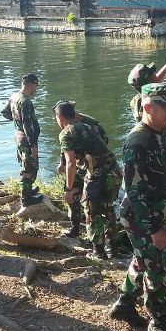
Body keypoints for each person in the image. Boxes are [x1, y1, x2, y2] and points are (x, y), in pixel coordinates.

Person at [109, 82, 166, 331]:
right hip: (140, 216)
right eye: (163, 106)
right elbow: (134, 191)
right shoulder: (137, 141)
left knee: (141, 260)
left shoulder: (160, 132)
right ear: (147, 106)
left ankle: (124, 304)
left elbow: (164, 171)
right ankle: (158, 323)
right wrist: (155, 229)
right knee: (156, 268)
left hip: (156, 211)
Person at [54, 101, 121, 260]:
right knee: (108, 209)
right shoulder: (86, 125)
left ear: (60, 117)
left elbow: (71, 163)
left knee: (92, 213)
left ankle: (98, 252)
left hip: (97, 176)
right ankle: (113, 249)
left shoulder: (65, 133)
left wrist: (69, 190)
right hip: (115, 172)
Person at [1, 73, 43, 207]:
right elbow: (28, 125)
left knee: (25, 163)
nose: (35, 89)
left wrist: (16, 121)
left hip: (18, 135)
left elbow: (5, 112)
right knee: (30, 166)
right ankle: (26, 198)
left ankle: (28, 190)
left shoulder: (14, 96)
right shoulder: (26, 102)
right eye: (35, 86)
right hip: (26, 139)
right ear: (31, 84)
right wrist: (33, 145)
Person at [127, 42, 166, 123]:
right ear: (150, 83)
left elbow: (156, 81)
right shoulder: (155, 97)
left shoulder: (138, 99)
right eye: (153, 73)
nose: (156, 74)